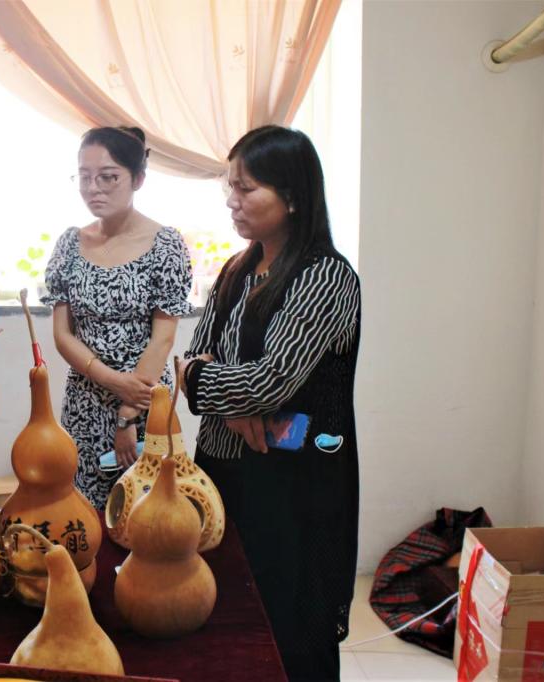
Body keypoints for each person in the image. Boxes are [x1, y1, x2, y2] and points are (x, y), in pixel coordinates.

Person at [178, 125, 360, 681]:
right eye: (230, 187)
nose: (232, 201)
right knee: (228, 614)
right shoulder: (237, 269)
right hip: (222, 470)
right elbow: (189, 361)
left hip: (294, 480)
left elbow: (269, 383)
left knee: (290, 622)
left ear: (294, 197)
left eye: (247, 188)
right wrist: (225, 399)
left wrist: (211, 387)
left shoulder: (325, 276)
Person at [42, 126, 193, 510]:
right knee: (83, 513)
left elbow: (163, 338)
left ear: (137, 179)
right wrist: (112, 381)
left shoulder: (166, 245)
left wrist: (127, 414)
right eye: (85, 177)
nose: (94, 188)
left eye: (108, 177)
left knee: (146, 515)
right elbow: (63, 335)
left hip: (144, 401)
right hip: (85, 401)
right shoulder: (69, 244)